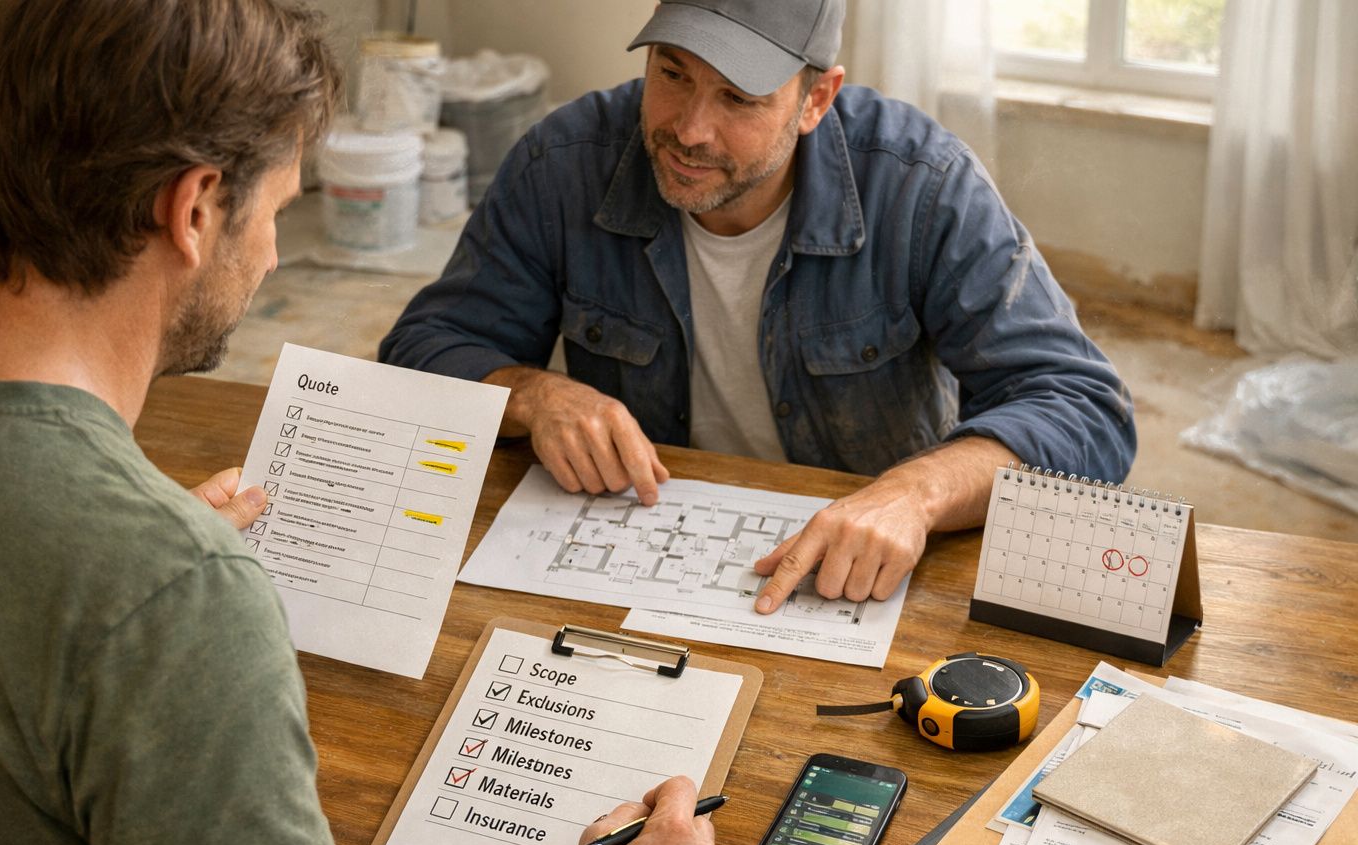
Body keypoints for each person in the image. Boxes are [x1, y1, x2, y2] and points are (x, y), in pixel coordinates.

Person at [0, 1, 720, 845]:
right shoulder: (170, 595)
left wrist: (115, 551)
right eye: (279, 211)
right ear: (194, 209)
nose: (276, 257)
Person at [379, 0, 1137, 614]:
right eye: (672, 74)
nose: (688, 129)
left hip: (853, 580)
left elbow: (1084, 408)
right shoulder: (564, 162)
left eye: (738, 98)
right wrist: (534, 395)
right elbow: (424, 347)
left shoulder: (922, 184)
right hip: (641, 553)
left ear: (816, 99)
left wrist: (917, 493)